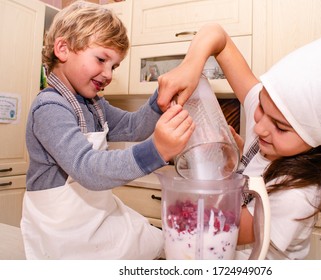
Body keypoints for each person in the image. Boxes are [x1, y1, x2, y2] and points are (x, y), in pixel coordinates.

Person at [157, 23, 321, 259]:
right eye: (260, 105)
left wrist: (217, 170)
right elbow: (218, 36)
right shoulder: (275, 112)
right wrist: (190, 66)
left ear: (318, 138)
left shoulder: (299, 195)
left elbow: (221, 229)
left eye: (280, 127)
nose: (259, 127)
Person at [21, 0, 194, 260]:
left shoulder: (94, 105)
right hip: (62, 232)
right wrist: (156, 151)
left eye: (114, 66)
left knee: (158, 241)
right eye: (101, 59)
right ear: (63, 49)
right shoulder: (49, 107)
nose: (108, 73)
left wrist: (161, 97)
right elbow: (87, 169)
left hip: (93, 215)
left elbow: (135, 127)